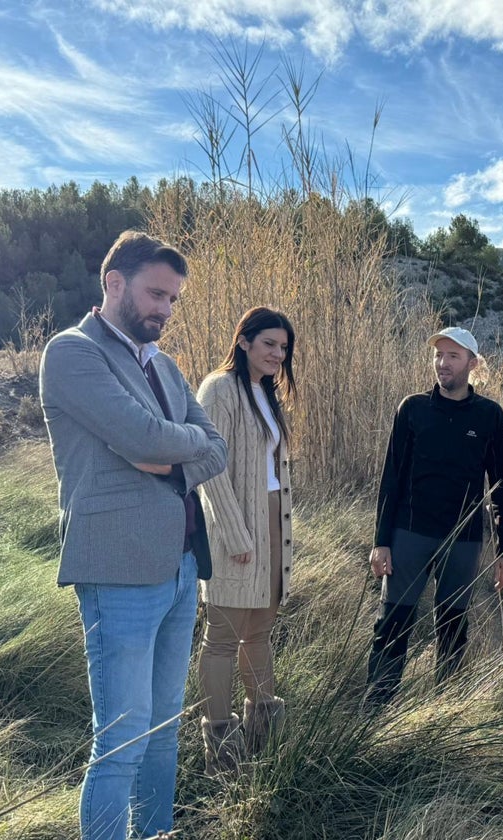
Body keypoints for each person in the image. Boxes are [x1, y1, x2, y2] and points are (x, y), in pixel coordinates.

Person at [39, 230, 227, 840]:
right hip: (117, 568)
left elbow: (214, 447)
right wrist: (163, 445)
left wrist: (170, 452)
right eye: (155, 294)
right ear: (113, 283)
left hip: (178, 567)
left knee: (162, 731)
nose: (165, 311)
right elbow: (143, 437)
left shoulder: (166, 366)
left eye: (173, 299)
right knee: (121, 738)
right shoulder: (72, 353)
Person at [365, 326, 503, 706]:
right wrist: (381, 541)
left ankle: (442, 715)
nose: (442, 363)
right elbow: (391, 479)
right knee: (393, 623)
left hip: (463, 542)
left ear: (472, 363)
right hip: (410, 535)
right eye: (438, 355)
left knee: (452, 628)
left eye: (452, 356)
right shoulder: (412, 409)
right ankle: (374, 712)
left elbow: (501, 487)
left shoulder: (489, 417)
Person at [194, 307, 297, 776]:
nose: (277, 354)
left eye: (283, 347)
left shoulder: (266, 394)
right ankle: (221, 746)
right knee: (222, 638)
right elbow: (209, 467)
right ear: (244, 342)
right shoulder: (220, 389)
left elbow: (273, 472)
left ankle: (262, 730)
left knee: (259, 631)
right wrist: (236, 534)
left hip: (273, 524)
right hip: (235, 529)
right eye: (269, 344)